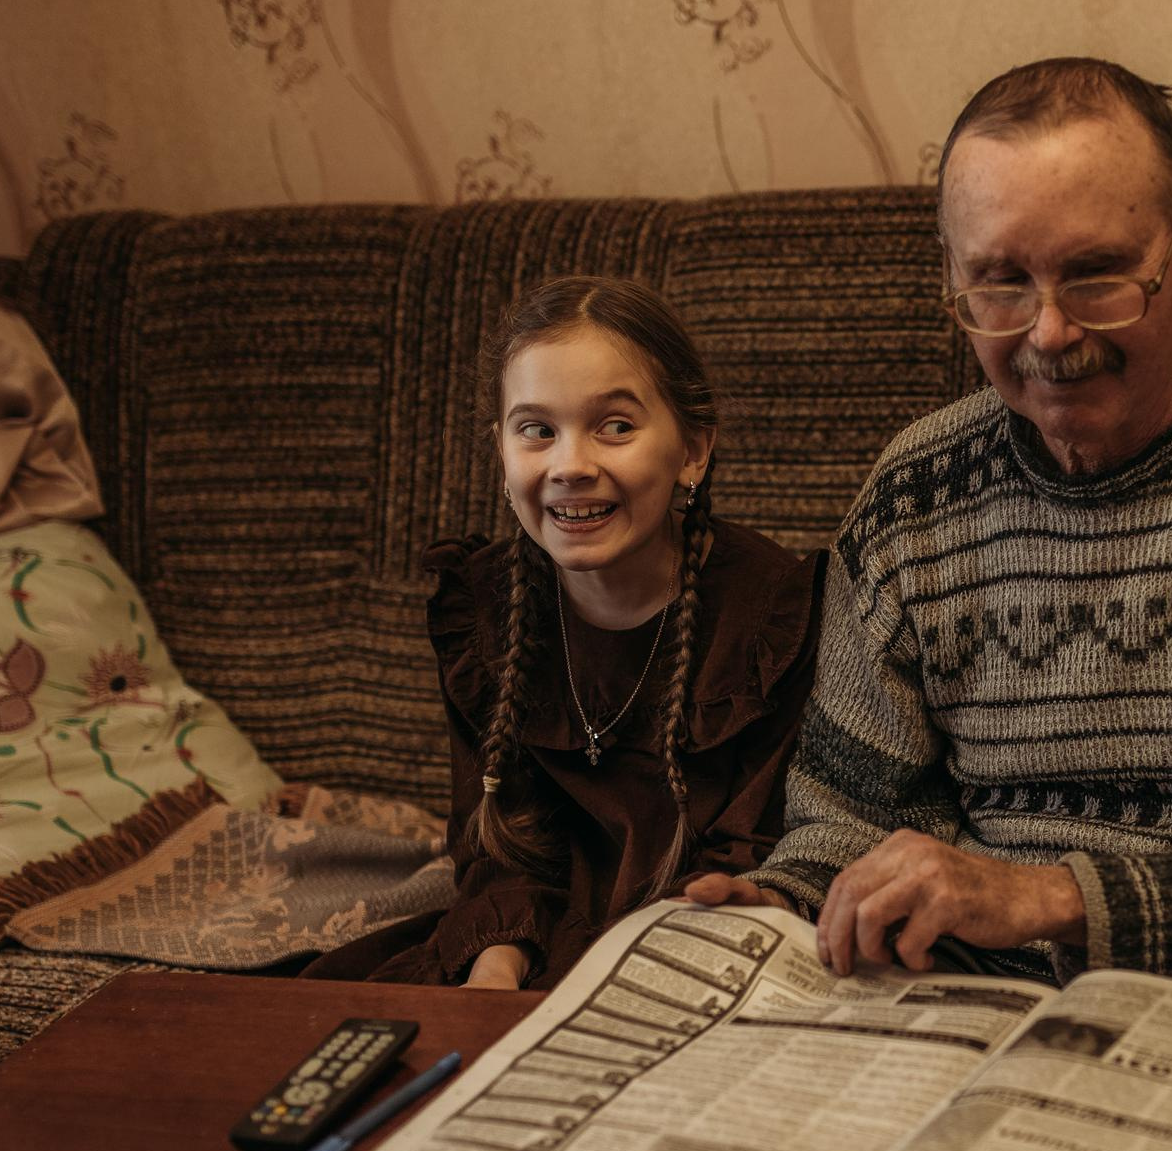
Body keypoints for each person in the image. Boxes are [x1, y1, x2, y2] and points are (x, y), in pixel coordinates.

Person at [688, 58, 1172, 1027]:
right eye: (1001, 283)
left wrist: (1052, 898)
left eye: (1095, 276)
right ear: (951, 274)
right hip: (973, 1000)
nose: (1050, 335)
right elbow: (852, 819)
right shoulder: (909, 497)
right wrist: (786, 904)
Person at [308, 276, 822, 990]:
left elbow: (756, 852)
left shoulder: (770, 618)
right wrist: (495, 972)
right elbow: (500, 846)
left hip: (693, 951)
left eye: (615, 425)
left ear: (694, 450)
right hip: (527, 941)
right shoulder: (483, 609)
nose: (571, 466)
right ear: (501, 448)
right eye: (537, 431)